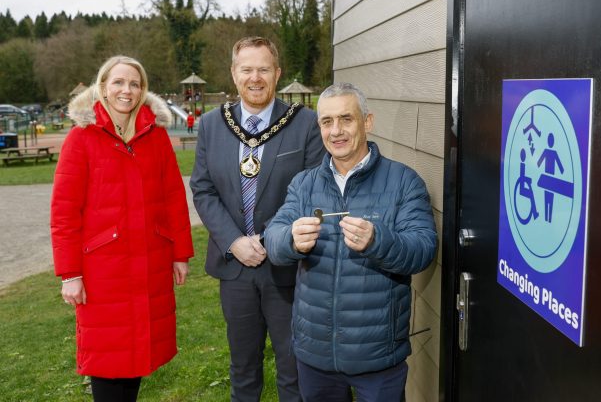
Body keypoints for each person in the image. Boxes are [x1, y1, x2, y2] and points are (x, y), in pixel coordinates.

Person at [265, 83, 438, 402]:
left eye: (346, 119)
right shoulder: (304, 185)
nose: (336, 131)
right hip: (315, 355)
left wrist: (378, 240)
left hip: (378, 357)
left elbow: (423, 250)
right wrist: (290, 239)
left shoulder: (403, 182)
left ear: (367, 122)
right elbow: (273, 239)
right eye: (327, 121)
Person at [51, 55, 194, 402]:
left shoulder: (156, 137)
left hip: (149, 263)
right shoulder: (81, 137)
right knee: (108, 358)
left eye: (134, 83)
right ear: (102, 87)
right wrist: (70, 273)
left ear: (143, 91)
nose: (126, 90)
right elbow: (64, 212)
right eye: (118, 82)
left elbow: (174, 197)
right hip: (103, 271)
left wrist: (180, 254)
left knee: (138, 358)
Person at [190, 36, 324, 401]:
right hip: (234, 267)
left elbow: (311, 189)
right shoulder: (211, 125)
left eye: (263, 69)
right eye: (246, 69)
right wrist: (235, 241)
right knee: (243, 367)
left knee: (294, 367)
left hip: (288, 268)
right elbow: (203, 190)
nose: (255, 77)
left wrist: (268, 241)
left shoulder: (305, 123)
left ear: (277, 73)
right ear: (234, 74)